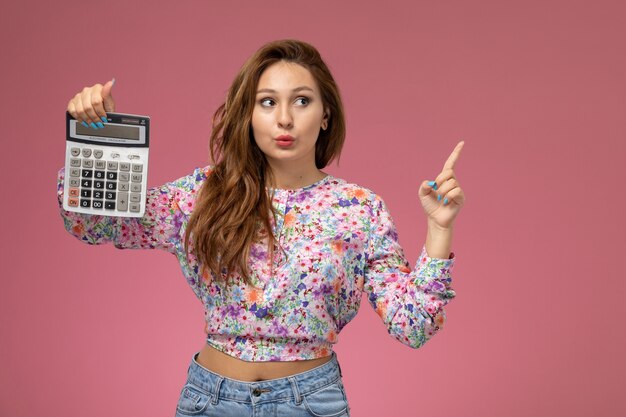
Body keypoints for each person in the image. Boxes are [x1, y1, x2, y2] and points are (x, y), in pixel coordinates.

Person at [58, 39, 465, 417]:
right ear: (249, 114)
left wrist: (438, 228)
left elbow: (413, 326)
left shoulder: (358, 209)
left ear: (325, 115)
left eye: (301, 101)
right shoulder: (205, 193)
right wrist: (97, 137)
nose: (284, 118)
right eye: (267, 102)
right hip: (211, 400)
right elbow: (92, 223)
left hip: (310, 403)